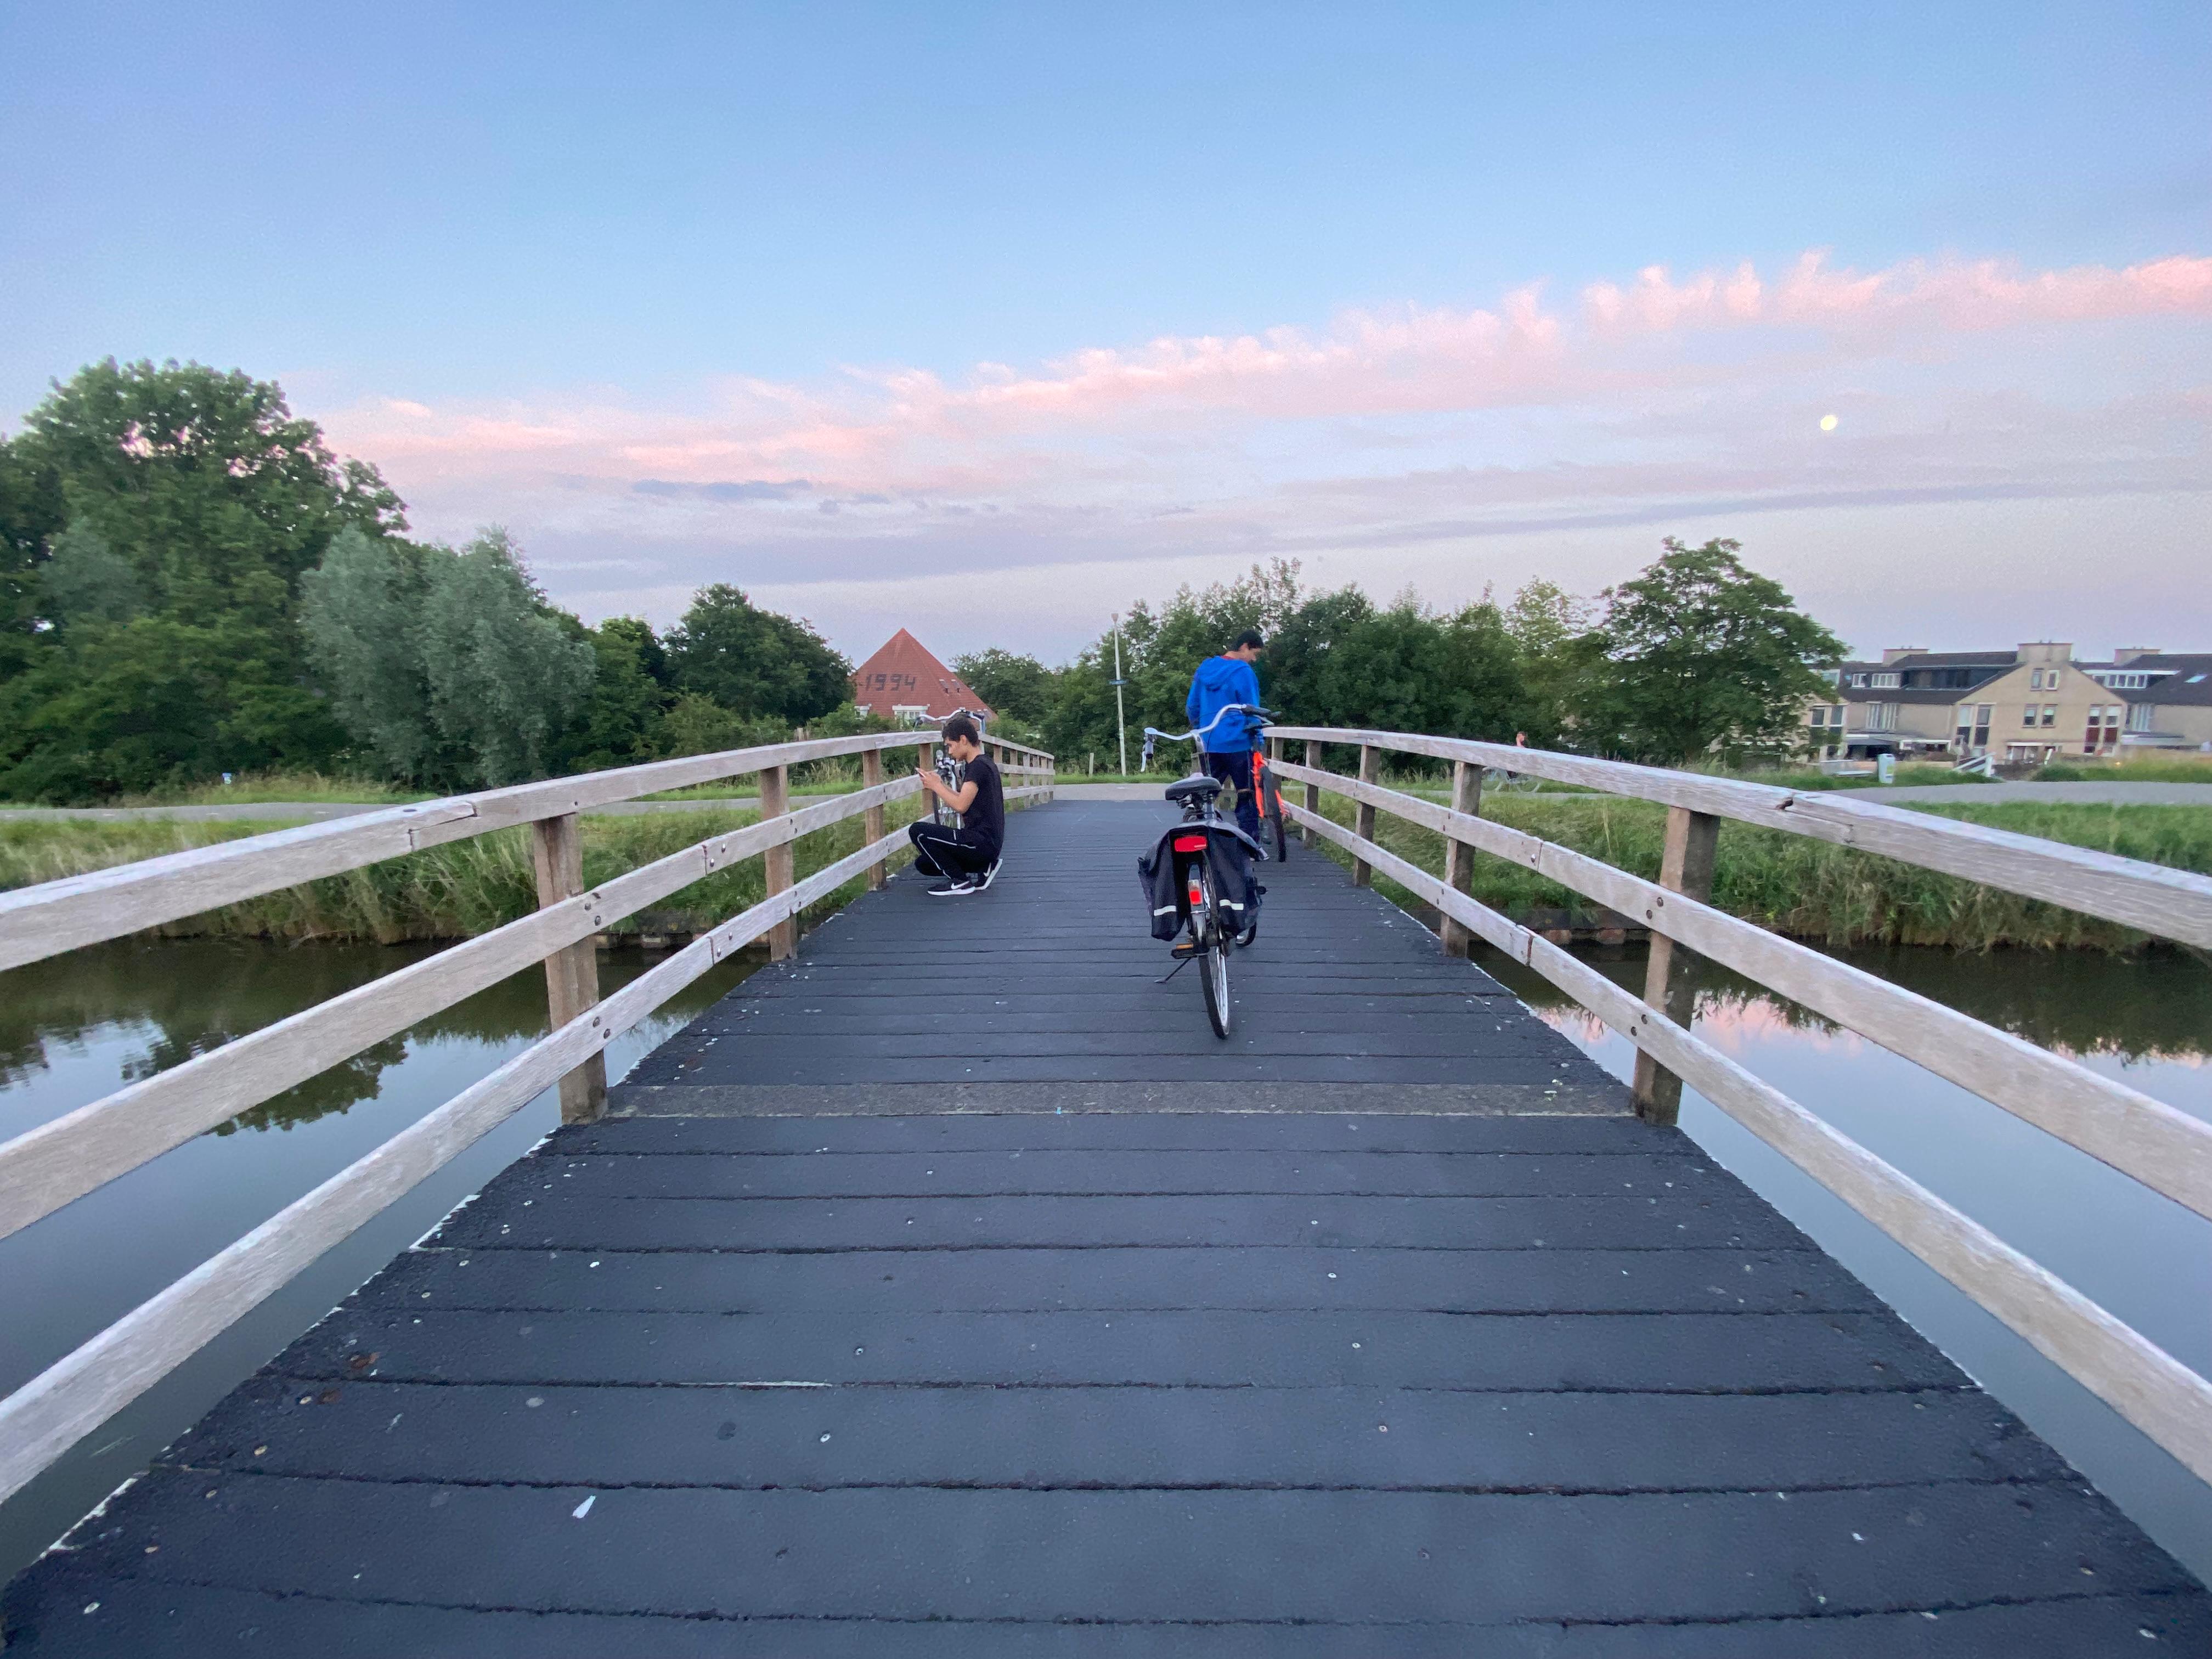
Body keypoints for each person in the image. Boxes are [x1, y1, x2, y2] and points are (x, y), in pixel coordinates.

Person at [907, 714, 1005, 896]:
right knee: (924, 864)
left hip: (978, 842)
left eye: (951, 745)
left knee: (918, 832)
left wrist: (936, 786)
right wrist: (940, 784)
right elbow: (964, 798)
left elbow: (961, 806)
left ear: (963, 740)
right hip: (988, 845)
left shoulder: (977, 767)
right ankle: (985, 867)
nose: (950, 752)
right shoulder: (985, 763)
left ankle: (961, 882)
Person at [1184, 629, 1265, 840]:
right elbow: (1252, 708)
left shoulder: (1205, 670)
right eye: (1254, 653)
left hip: (1210, 741)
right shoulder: (1243, 672)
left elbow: (1192, 706)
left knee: (1207, 794)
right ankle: (1250, 844)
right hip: (1237, 742)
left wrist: (1200, 727)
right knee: (1245, 793)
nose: (1254, 659)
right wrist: (1257, 735)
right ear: (1245, 647)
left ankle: (1201, 838)